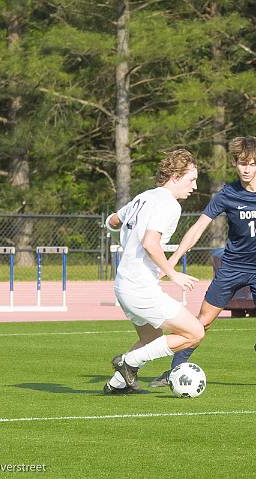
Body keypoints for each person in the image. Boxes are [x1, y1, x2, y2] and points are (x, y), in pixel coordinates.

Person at [149, 135, 256, 387]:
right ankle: (174, 370)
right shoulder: (226, 194)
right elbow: (197, 229)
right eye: (241, 163)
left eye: (251, 164)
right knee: (199, 324)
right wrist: (170, 263)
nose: (246, 169)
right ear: (235, 163)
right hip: (232, 268)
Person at [103, 149, 203, 394]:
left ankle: (116, 385)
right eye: (191, 179)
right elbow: (150, 243)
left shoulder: (144, 197)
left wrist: (122, 229)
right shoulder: (169, 204)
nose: (195, 186)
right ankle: (128, 362)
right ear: (176, 176)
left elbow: (112, 221)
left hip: (124, 284)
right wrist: (173, 273)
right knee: (194, 333)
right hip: (139, 287)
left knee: (150, 340)